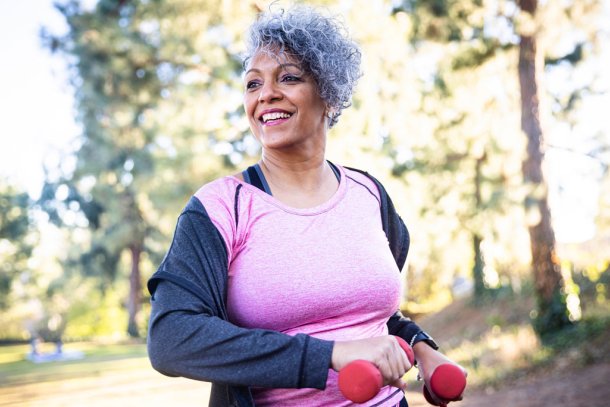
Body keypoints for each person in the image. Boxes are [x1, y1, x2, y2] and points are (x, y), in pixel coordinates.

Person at [147, 5, 465, 407]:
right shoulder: (220, 207)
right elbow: (171, 338)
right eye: (252, 83)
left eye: (289, 78)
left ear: (328, 95)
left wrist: (421, 348)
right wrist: (329, 355)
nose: (265, 94)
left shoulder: (369, 195)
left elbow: (372, 317)